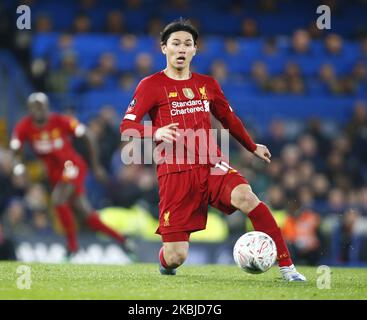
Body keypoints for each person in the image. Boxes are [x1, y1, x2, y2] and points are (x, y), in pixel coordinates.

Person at [120, 18, 306, 281]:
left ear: (195, 49)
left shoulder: (207, 84)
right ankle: (165, 261)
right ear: (164, 48)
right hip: (175, 172)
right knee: (176, 256)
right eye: (176, 43)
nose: (182, 49)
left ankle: (288, 268)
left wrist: (251, 146)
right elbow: (126, 125)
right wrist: (155, 131)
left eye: (188, 44)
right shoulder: (150, 85)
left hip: (211, 164)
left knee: (248, 198)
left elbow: (229, 119)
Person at [10, 92, 135, 259]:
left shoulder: (60, 121)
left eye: (42, 106)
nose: (39, 110)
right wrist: (18, 166)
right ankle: (123, 240)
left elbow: (87, 135)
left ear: (47, 107)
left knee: (58, 200)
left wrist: (96, 165)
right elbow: (15, 146)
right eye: (35, 107)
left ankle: (72, 246)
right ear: (29, 109)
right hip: (55, 174)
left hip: (72, 166)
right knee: (85, 213)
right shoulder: (24, 126)